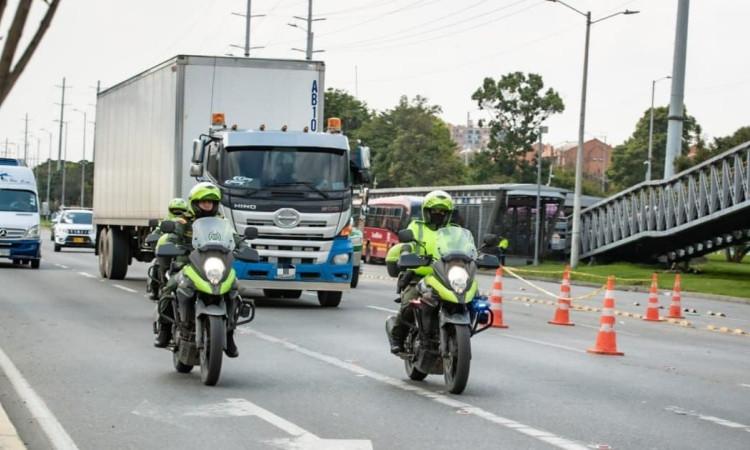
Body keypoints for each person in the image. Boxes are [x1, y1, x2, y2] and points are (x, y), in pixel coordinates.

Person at [153, 182, 242, 358]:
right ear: (195, 203)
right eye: (204, 202)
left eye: (211, 202)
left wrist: (244, 247)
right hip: (187, 264)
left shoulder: (222, 222)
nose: (208, 205)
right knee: (168, 289)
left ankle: (229, 334)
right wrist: (170, 245)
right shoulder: (183, 221)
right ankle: (164, 330)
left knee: (234, 290)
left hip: (215, 266)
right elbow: (172, 237)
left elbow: (234, 238)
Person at [386, 190, 456, 354]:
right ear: (427, 212)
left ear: (448, 214)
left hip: (447, 277)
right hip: (418, 276)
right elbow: (408, 245)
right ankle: (398, 337)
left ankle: (457, 332)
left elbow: (465, 249)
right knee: (409, 304)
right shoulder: (416, 227)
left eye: (442, 211)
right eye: (434, 211)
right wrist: (406, 254)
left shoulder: (454, 231)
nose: (438, 214)